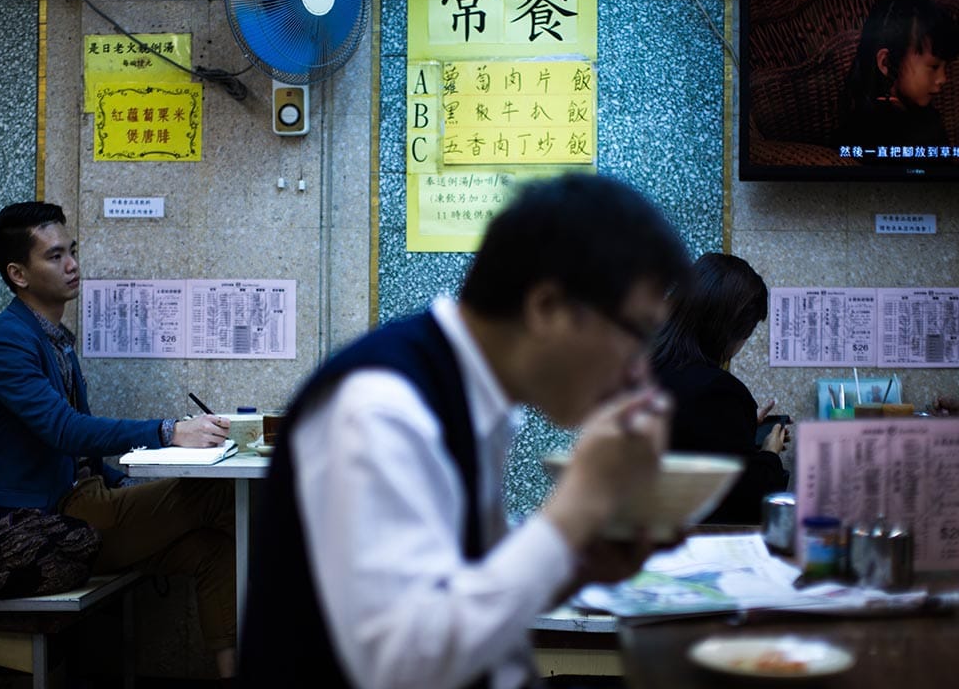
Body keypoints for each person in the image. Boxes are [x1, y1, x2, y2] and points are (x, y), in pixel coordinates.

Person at [238, 173, 692, 689]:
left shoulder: (477, 396)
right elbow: (402, 666)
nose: (641, 373)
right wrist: (578, 505)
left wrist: (577, 569)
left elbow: (457, 597)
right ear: (547, 307)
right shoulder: (381, 408)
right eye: (637, 334)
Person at [0, 201, 239, 678]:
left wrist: (131, 483)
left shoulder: (52, 337)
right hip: (43, 526)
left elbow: (87, 454)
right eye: (54, 256)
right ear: (18, 274)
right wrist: (167, 431)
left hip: (84, 503)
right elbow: (66, 430)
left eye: (71, 251)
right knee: (220, 492)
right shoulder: (8, 344)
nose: (72, 265)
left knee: (215, 549)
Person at [650, 252, 788, 525]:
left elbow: (688, 439)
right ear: (730, 329)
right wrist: (770, 454)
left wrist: (742, 422)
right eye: (746, 333)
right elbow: (746, 499)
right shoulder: (718, 390)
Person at [837, 0, 959, 155]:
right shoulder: (863, 130)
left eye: (946, 67)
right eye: (933, 66)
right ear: (886, 62)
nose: (943, 79)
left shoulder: (930, 119)